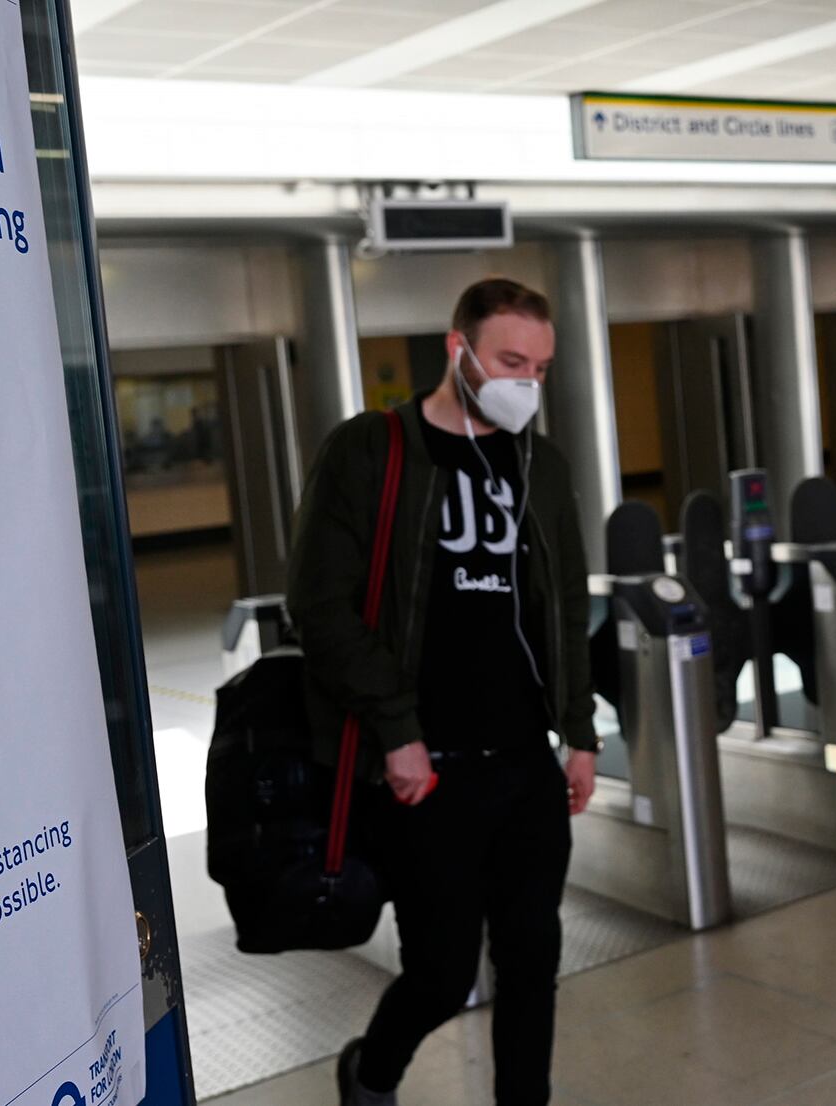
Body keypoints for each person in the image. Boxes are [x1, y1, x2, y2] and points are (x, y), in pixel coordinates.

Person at [286, 278, 599, 1106]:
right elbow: (319, 608)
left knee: (533, 961)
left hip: (524, 763)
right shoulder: (370, 452)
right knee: (442, 970)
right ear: (457, 349)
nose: (525, 382)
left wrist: (579, 731)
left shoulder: (541, 462)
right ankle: (373, 1070)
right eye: (509, 361)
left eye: (539, 367)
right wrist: (396, 729)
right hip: (426, 773)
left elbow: (567, 602)